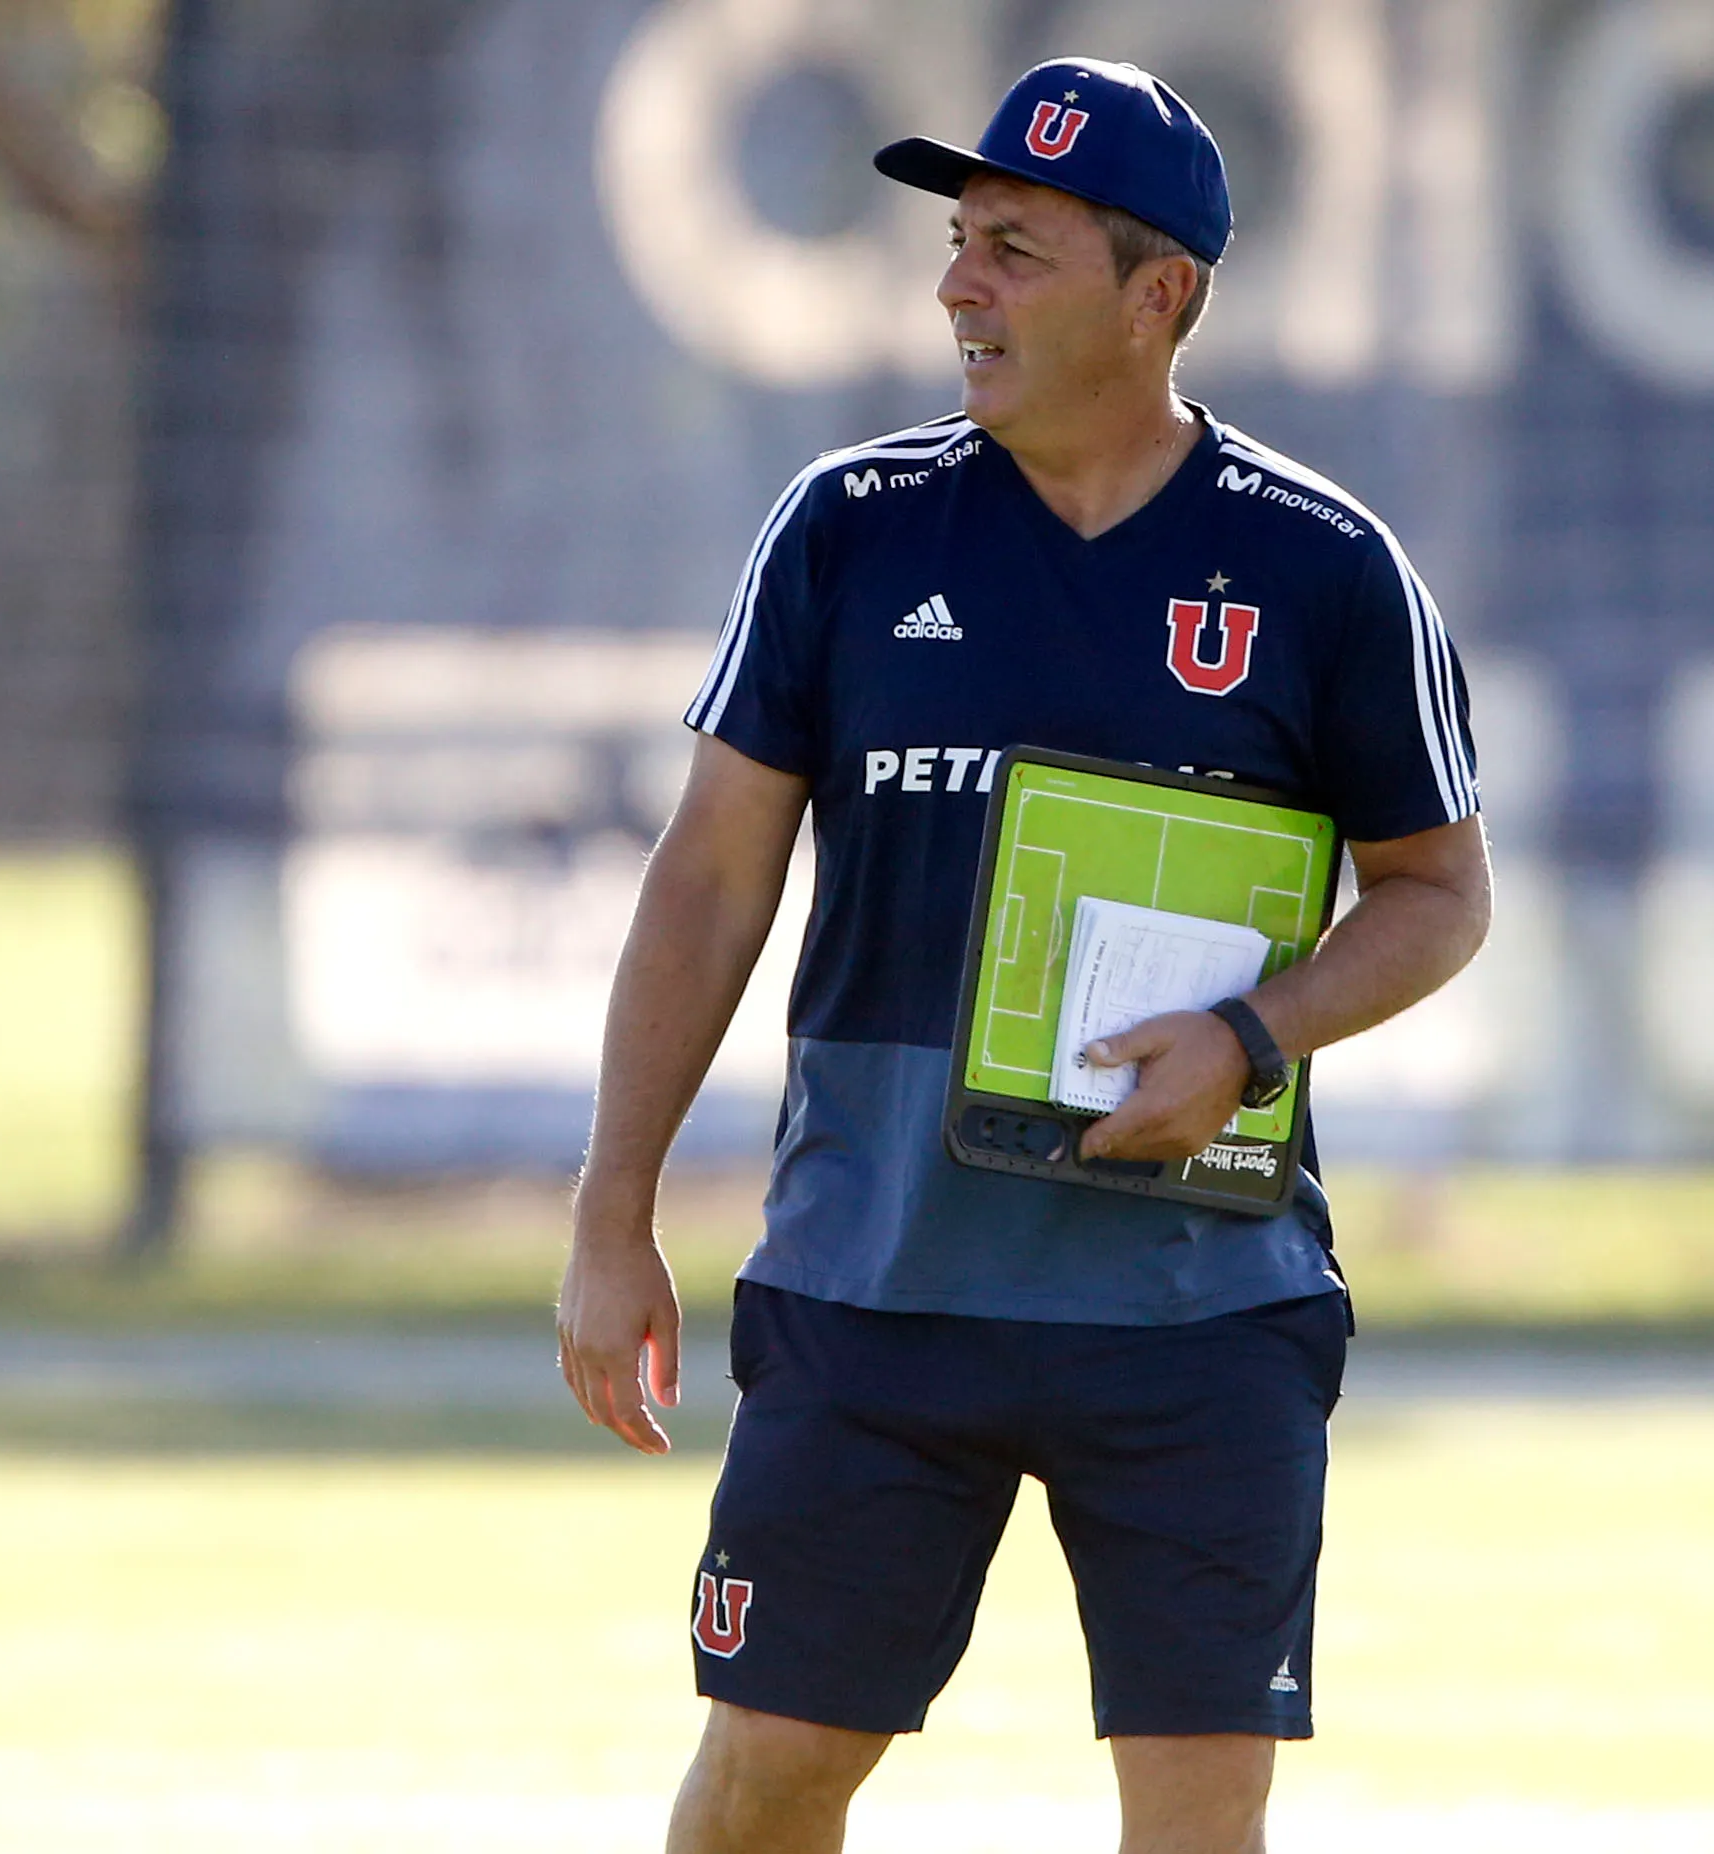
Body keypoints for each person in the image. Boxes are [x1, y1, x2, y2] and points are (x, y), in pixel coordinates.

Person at [557, 57, 1495, 1854]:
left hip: (1199, 1314)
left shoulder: (1322, 571)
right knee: (766, 1779)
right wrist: (613, 1212)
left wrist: (1251, 1030)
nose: (956, 288)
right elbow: (707, 886)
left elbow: (1439, 895)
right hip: (876, 1287)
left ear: (1163, 298)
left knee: (1196, 1822)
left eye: (1013, 250)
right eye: (959, 244)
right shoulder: (847, 529)